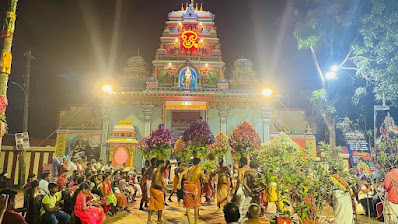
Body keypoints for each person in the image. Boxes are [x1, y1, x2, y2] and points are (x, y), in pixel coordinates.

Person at [183, 158, 208, 224]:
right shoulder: (199, 171)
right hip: (193, 188)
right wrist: (208, 173)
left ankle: (190, 223)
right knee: (196, 205)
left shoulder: (189, 169)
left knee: (188, 206)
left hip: (186, 186)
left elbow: (184, 176)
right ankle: (195, 222)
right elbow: (206, 180)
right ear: (199, 163)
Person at [147, 159, 169, 224]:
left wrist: (167, 164)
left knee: (151, 204)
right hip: (157, 190)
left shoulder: (158, 170)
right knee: (160, 205)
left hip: (153, 189)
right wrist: (164, 187)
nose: (164, 165)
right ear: (160, 165)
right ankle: (159, 220)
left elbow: (163, 169)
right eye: (163, 164)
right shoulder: (157, 172)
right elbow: (156, 182)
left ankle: (149, 220)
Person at [235, 157, 251, 223]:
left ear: (241, 162)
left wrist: (236, 190)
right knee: (247, 205)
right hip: (249, 189)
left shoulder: (240, 170)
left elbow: (239, 180)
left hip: (241, 188)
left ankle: (239, 221)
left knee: (239, 206)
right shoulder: (250, 170)